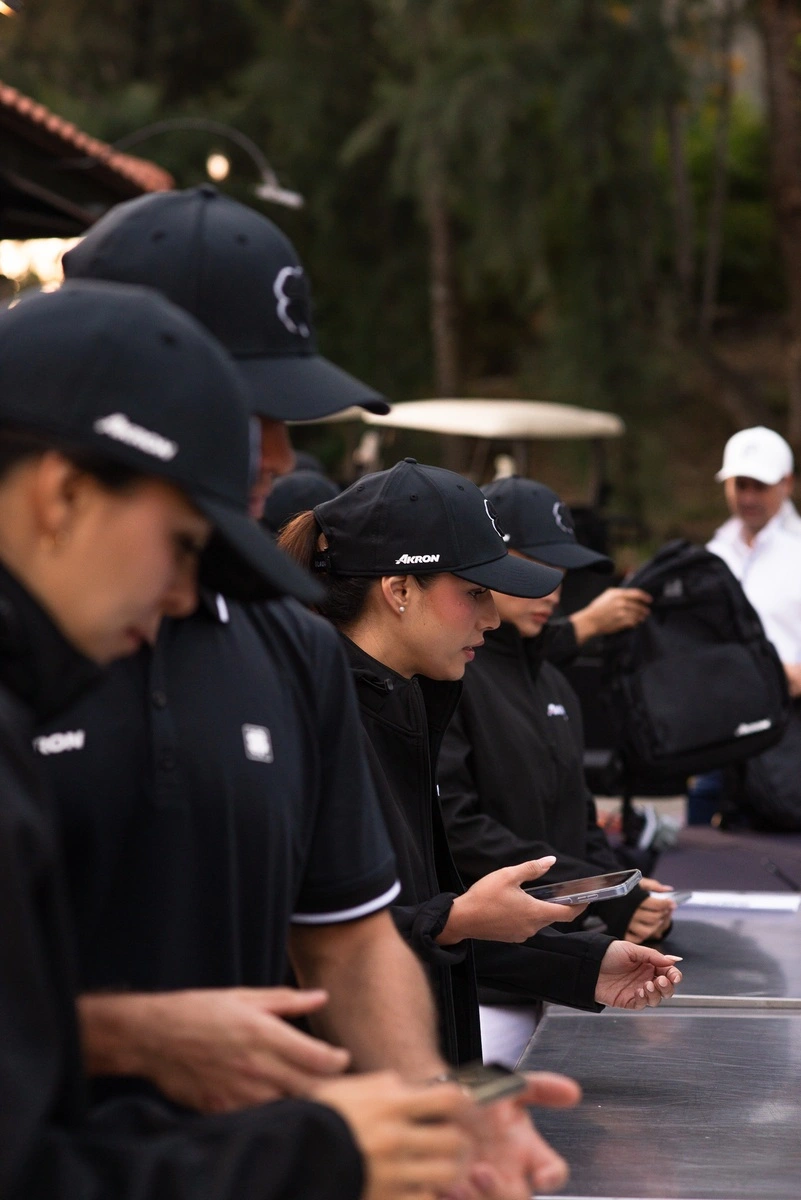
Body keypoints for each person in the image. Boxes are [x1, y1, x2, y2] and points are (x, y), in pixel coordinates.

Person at [0, 279, 478, 1200]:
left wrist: (426, 1133)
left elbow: (348, 939)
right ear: (63, 492)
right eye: (183, 538)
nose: (275, 456)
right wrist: (317, 1150)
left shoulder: (291, 651)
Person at [278, 460, 683, 1066]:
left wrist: (583, 965)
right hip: (342, 1108)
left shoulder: (403, 703)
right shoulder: (309, 718)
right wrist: (458, 916)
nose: (492, 618)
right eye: (474, 594)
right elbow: (313, 938)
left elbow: (419, 918)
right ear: (399, 590)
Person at [438, 477, 676, 945]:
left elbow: (580, 821)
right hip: (485, 967)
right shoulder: (448, 676)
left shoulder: (555, 683)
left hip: (561, 954)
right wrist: (598, 891)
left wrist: (622, 885)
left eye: (561, 570)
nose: (553, 589)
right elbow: (455, 828)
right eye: (537, 565)